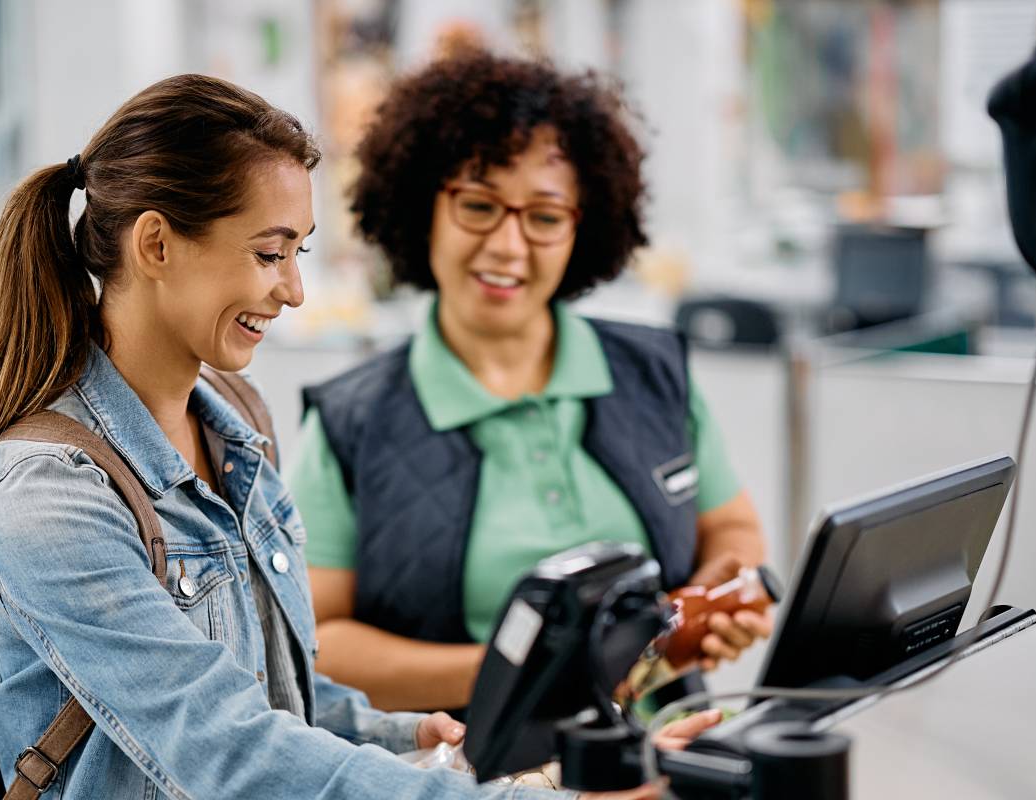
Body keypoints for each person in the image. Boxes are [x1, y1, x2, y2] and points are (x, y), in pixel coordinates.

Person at [0, 73, 705, 798]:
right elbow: (222, 750)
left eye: (297, 254)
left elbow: (282, 700)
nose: (294, 290)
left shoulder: (236, 425)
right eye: (269, 254)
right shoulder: (48, 496)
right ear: (156, 245)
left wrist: (407, 735)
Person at [291, 52, 772, 713]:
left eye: (545, 216)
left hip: (669, 757)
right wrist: (527, 670)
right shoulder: (351, 425)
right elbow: (317, 642)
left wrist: (714, 601)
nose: (509, 247)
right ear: (420, 206)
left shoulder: (654, 374)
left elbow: (734, 531)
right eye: (479, 205)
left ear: (585, 224)